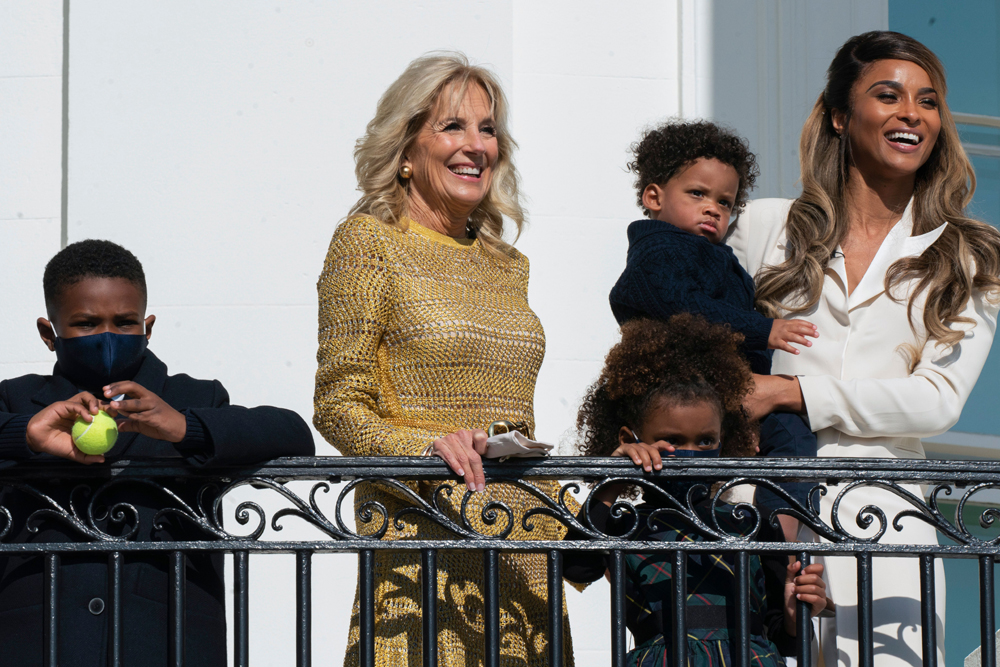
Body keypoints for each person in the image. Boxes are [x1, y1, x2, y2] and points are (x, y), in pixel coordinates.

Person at [728, 31, 1000, 667]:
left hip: (887, 520)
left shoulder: (969, 254)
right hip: (761, 509)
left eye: (928, 102)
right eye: (889, 95)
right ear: (839, 114)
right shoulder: (766, 227)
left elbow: (937, 400)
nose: (912, 113)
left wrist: (793, 392)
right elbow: (706, 349)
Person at [313, 53, 572, 666]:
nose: (476, 145)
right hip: (422, 550)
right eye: (453, 126)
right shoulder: (369, 241)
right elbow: (338, 405)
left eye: (488, 130)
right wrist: (426, 450)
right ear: (406, 148)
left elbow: (513, 415)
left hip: (524, 551)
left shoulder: (507, 263)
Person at [0, 239, 315, 666]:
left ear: (147, 328)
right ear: (48, 333)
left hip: (167, 643)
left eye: (125, 322)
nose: (107, 337)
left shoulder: (194, 397)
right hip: (39, 644)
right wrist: (26, 434)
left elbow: (294, 433)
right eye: (87, 324)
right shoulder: (18, 401)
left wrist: (186, 427)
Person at [564, 315, 830, 667]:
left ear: (725, 438)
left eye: (706, 440)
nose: (691, 453)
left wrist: (797, 617)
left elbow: (784, 638)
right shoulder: (623, 523)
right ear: (631, 440)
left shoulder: (752, 523)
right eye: (672, 440)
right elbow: (575, 567)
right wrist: (611, 479)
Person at [608, 120, 819, 539]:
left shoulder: (716, 256)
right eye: (697, 194)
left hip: (728, 389)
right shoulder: (659, 249)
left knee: (795, 441)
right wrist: (764, 329)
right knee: (686, 475)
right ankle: (678, 536)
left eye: (726, 202)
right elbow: (682, 305)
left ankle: (784, 541)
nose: (713, 209)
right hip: (686, 389)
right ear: (654, 196)